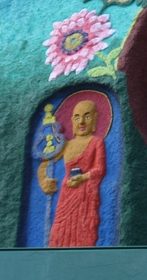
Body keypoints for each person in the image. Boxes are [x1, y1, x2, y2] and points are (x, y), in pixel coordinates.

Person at [37, 100, 106, 247]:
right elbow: (45, 162)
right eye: (77, 117)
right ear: (72, 121)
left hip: (85, 195)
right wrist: (44, 180)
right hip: (67, 193)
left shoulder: (96, 142)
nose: (81, 122)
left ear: (94, 119)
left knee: (83, 229)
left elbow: (100, 169)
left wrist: (83, 177)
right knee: (59, 230)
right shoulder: (66, 144)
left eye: (87, 117)